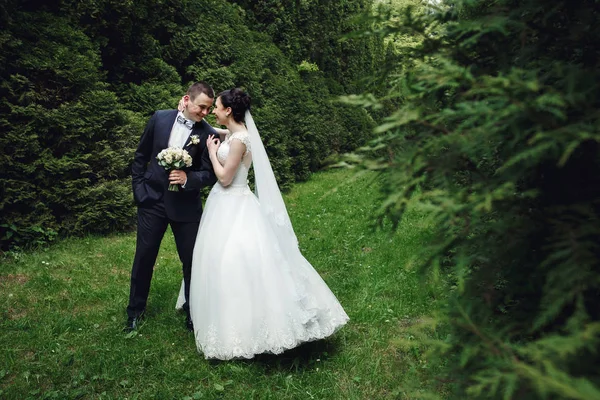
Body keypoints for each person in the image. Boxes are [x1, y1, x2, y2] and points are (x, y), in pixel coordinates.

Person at [176, 88, 349, 359]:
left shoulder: (240, 140)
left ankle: (245, 327)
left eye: (217, 107)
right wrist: (185, 115)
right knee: (217, 258)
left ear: (228, 110)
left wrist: (211, 153)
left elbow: (224, 178)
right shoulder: (234, 134)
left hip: (233, 201)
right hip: (223, 204)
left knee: (232, 259)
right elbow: (214, 130)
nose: (214, 112)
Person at [125, 82, 220, 332]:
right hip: (152, 202)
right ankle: (134, 312)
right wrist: (139, 190)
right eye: (202, 107)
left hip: (186, 207)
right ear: (186, 100)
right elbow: (140, 156)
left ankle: (193, 312)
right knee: (144, 257)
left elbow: (209, 174)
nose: (205, 113)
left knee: (191, 261)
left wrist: (189, 180)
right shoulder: (159, 118)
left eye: (209, 109)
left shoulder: (207, 133)